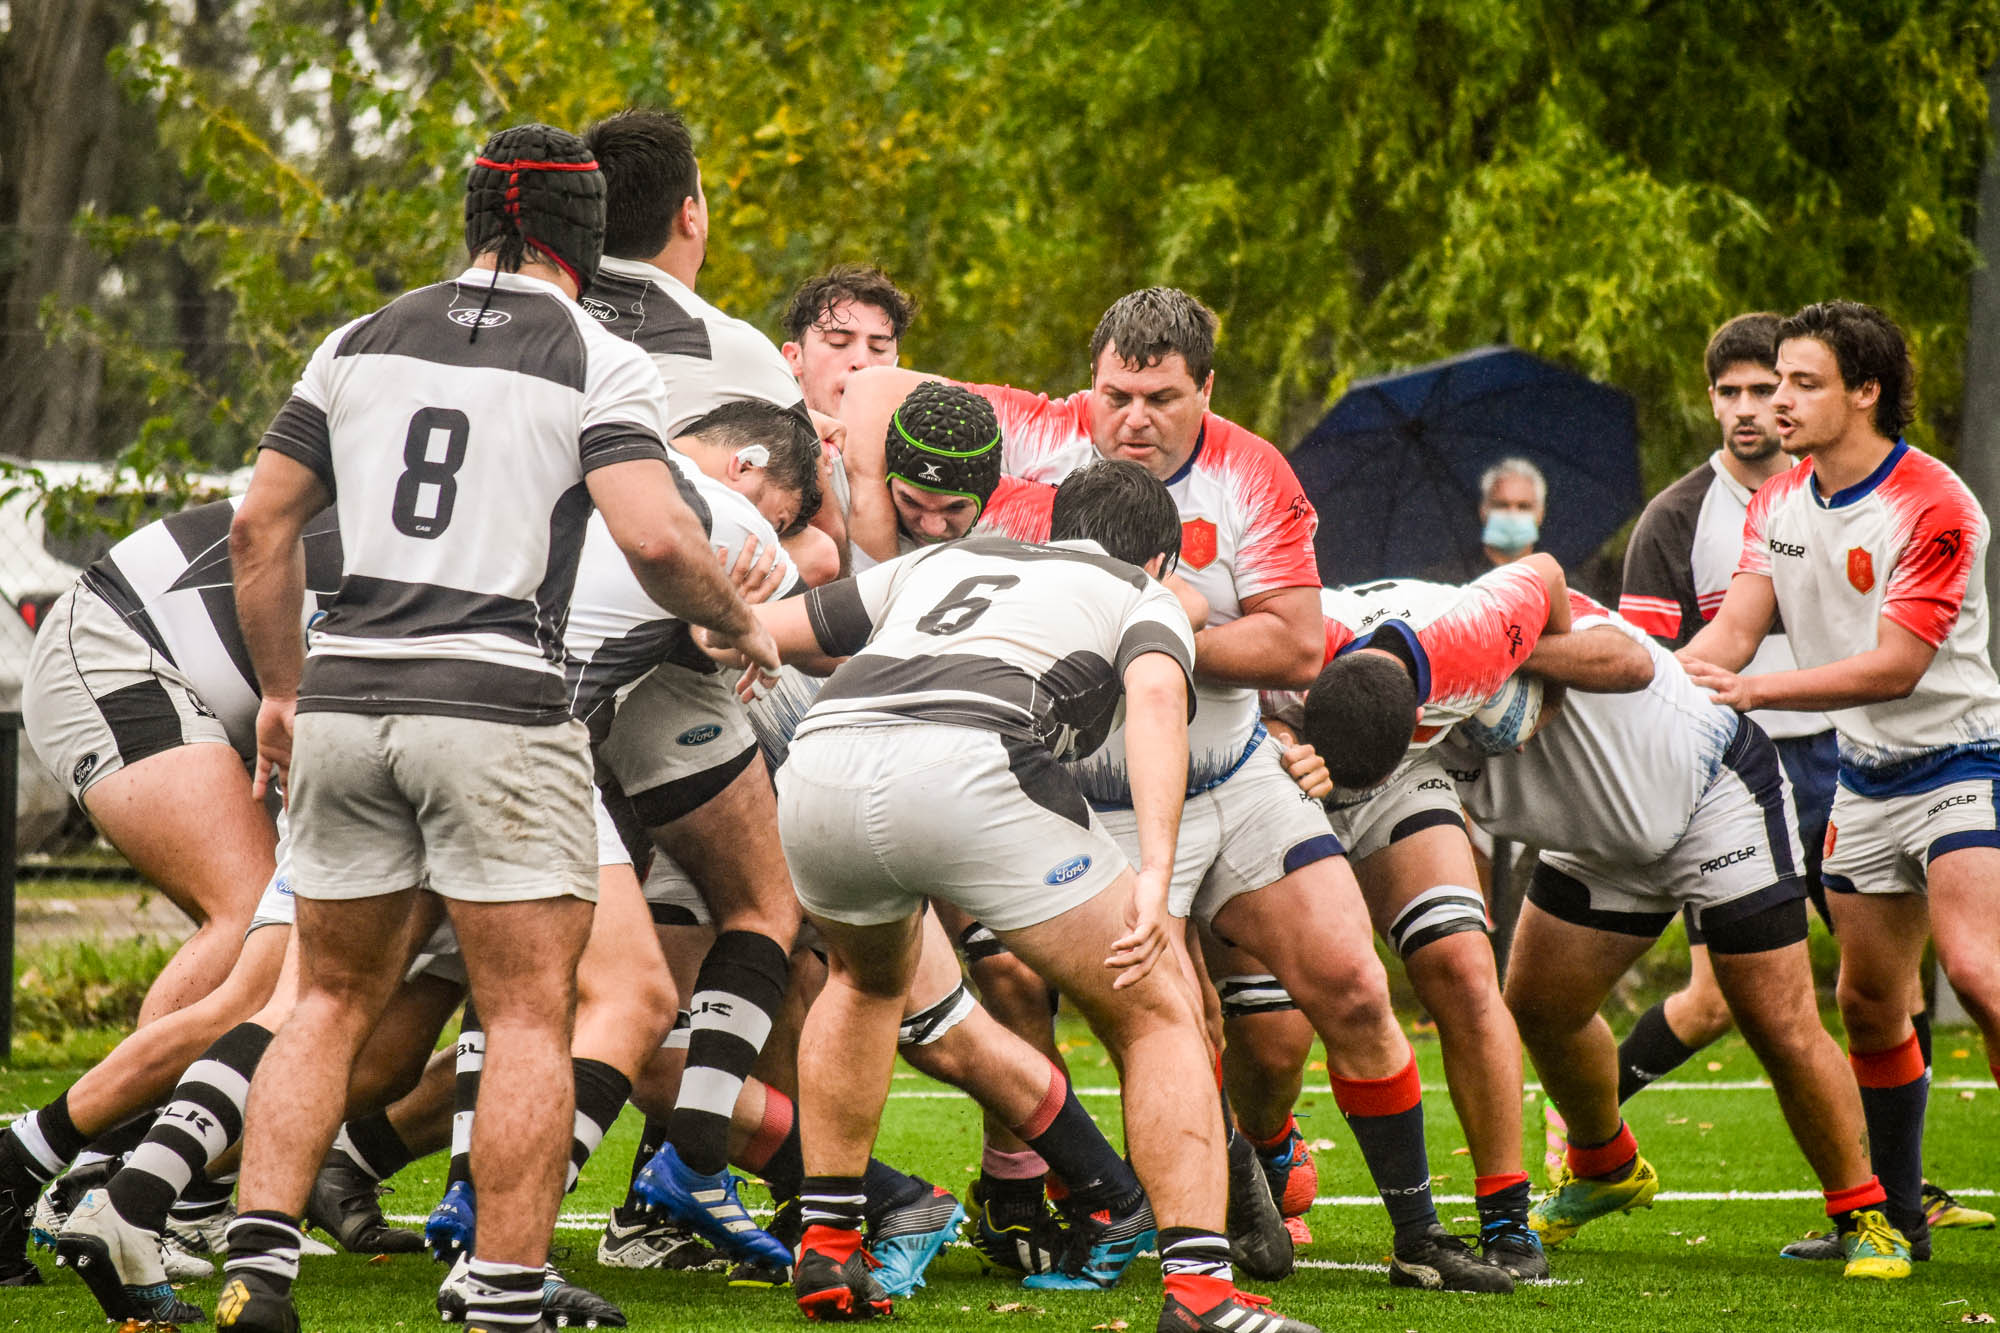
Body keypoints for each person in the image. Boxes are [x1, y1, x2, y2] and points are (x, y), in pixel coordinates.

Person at [209, 122, 774, 1333]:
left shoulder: (357, 338)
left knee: (325, 998)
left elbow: (258, 531)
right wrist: (744, 623)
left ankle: (259, 1265)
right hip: (498, 702)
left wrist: (283, 689)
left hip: (349, 697)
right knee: (526, 1010)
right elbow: (662, 537)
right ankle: (506, 1289)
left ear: (473, 220)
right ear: (579, 234)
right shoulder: (594, 350)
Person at [839, 289, 1509, 1293]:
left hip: (1234, 776)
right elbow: (871, 391)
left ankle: (1417, 1235)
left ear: (1206, 390)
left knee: (1354, 984)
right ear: (1089, 383)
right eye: (1115, 394)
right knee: (1150, 1019)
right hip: (1081, 796)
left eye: (1159, 397)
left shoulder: (1249, 472)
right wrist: (866, 505)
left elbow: (1287, 638)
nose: (1132, 419)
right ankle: (1193, 1199)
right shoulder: (1037, 427)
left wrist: (1145, 628)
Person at [732, 458, 1315, 1333]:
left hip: (823, 765)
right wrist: (1155, 873)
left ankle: (831, 1244)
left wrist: (727, 625)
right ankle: (1201, 1294)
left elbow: (765, 626)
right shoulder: (1144, 592)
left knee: (862, 983)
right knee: (1158, 1010)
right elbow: (1158, 701)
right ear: (1163, 560)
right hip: (969, 765)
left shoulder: (946, 560)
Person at [1436, 590, 1913, 1280]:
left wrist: (1495, 656)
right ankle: (1605, 1164)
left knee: (1774, 1015)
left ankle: (1865, 1211)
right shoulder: (1396, 693)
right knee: (1539, 1004)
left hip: (1710, 791)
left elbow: (1626, 654)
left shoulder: (1500, 613)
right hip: (1597, 830)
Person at [1681, 299, 2000, 1262]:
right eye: (1775, 380)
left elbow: (1895, 666)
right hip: (1863, 780)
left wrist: (1753, 687)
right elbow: (1730, 635)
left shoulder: (1935, 502)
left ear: (1865, 393)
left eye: (1802, 382)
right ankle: (1897, 1218)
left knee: (1981, 974)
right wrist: (1652, 680)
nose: (1778, 400)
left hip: (1961, 765)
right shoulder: (1780, 501)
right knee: (1867, 1002)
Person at [1246, 554, 1654, 1278]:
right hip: (1272, 765)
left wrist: (1540, 686)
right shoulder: (1284, 656)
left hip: (1400, 774)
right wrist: (1279, 742)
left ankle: (1506, 1217)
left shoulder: (1467, 639)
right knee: (1274, 1037)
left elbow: (1549, 572)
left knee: (1464, 968)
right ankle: (1269, 1148)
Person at [781, 265, 915, 419]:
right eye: (838, 342)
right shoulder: (756, 439)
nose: (862, 362)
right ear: (794, 358)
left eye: (878, 348)